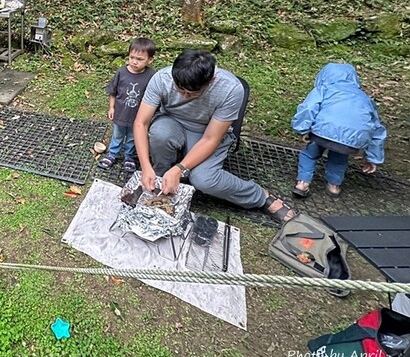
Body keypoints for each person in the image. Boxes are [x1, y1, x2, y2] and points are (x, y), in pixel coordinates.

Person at [133, 49, 296, 223]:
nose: (185, 96)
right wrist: (145, 166)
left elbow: (211, 139)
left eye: (192, 93)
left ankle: (259, 196)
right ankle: (160, 176)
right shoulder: (162, 78)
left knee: (203, 180)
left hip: (206, 131)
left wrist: (180, 169)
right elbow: (141, 123)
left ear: (211, 80)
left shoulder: (231, 89)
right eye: (180, 90)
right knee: (160, 133)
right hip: (172, 122)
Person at [291, 62, 387, 198]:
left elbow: (308, 108)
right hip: (352, 140)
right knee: (339, 157)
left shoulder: (323, 89)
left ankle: (302, 184)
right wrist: (373, 158)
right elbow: (376, 129)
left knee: (309, 154)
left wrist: (303, 129)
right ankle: (333, 186)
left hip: (323, 132)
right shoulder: (365, 99)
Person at [98, 38, 156, 173]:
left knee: (132, 136)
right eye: (132, 57)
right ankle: (113, 153)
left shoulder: (151, 76)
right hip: (121, 112)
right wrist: (111, 107)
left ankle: (129, 156)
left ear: (150, 60)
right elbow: (113, 91)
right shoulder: (122, 73)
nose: (134, 62)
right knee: (118, 134)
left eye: (140, 59)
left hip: (138, 115)